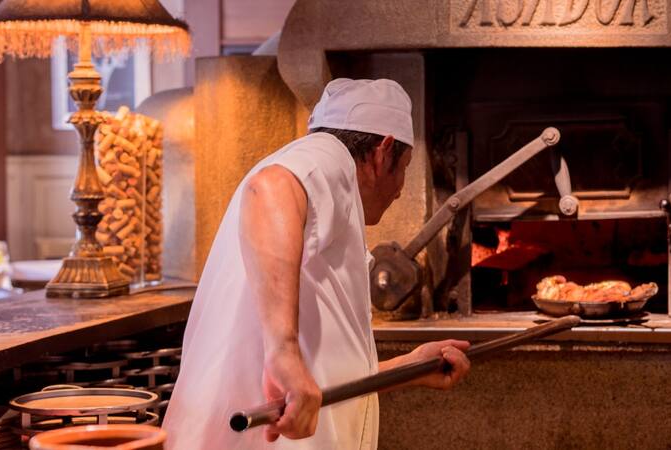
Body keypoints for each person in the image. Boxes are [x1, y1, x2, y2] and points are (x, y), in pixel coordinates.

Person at [162, 78, 471, 449]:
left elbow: (322, 372)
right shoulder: (329, 156)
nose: (401, 187)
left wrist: (409, 367)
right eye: (403, 166)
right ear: (381, 152)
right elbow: (269, 187)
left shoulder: (328, 188)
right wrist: (285, 355)